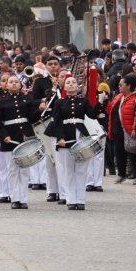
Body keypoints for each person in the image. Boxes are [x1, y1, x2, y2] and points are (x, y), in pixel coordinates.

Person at [0, 75, 44, 209]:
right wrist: (4, 136)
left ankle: (24, 199)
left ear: (21, 85)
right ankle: (15, 198)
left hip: (25, 136)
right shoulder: (0, 101)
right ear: (6, 85)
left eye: (16, 82)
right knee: (13, 170)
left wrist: (39, 110)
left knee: (25, 170)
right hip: (10, 138)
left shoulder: (27, 99)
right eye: (11, 82)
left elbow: (31, 118)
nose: (14, 84)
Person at [49, 76, 97, 210]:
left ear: (78, 86)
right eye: (68, 83)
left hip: (81, 135)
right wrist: (60, 138)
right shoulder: (59, 102)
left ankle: (80, 200)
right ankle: (71, 199)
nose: (71, 85)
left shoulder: (83, 101)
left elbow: (92, 115)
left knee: (81, 169)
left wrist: (99, 101)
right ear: (64, 87)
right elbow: (57, 122)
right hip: (66, 135)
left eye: (74, 83)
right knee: (68, 170)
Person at [108, 74, 136, 185]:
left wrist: (134, 128)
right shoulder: (118, 97)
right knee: (119, 153)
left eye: (122, 85)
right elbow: (110, 110)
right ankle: (121, 174)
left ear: (129, 86)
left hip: (129, 130)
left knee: (133, 153)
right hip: (118, 130)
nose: (119, 86)